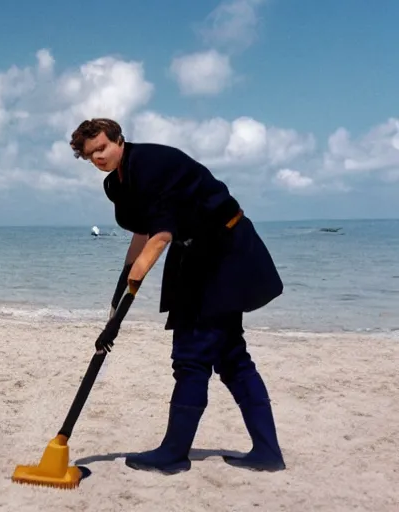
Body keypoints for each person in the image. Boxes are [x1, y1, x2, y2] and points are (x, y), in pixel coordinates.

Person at [70, 118, 287, 474]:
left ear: (119, 140)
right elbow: (144, 231)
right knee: (231, 355)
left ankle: (174, 453)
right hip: (195, 254)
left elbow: (160, 237)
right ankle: (267, 451)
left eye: (103, 148)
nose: (98, 157)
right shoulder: (119, 181)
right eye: (90, 154)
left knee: (193, 355)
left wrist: (128, 300)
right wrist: (124, 277)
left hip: (224, 252)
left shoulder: (150, 166)